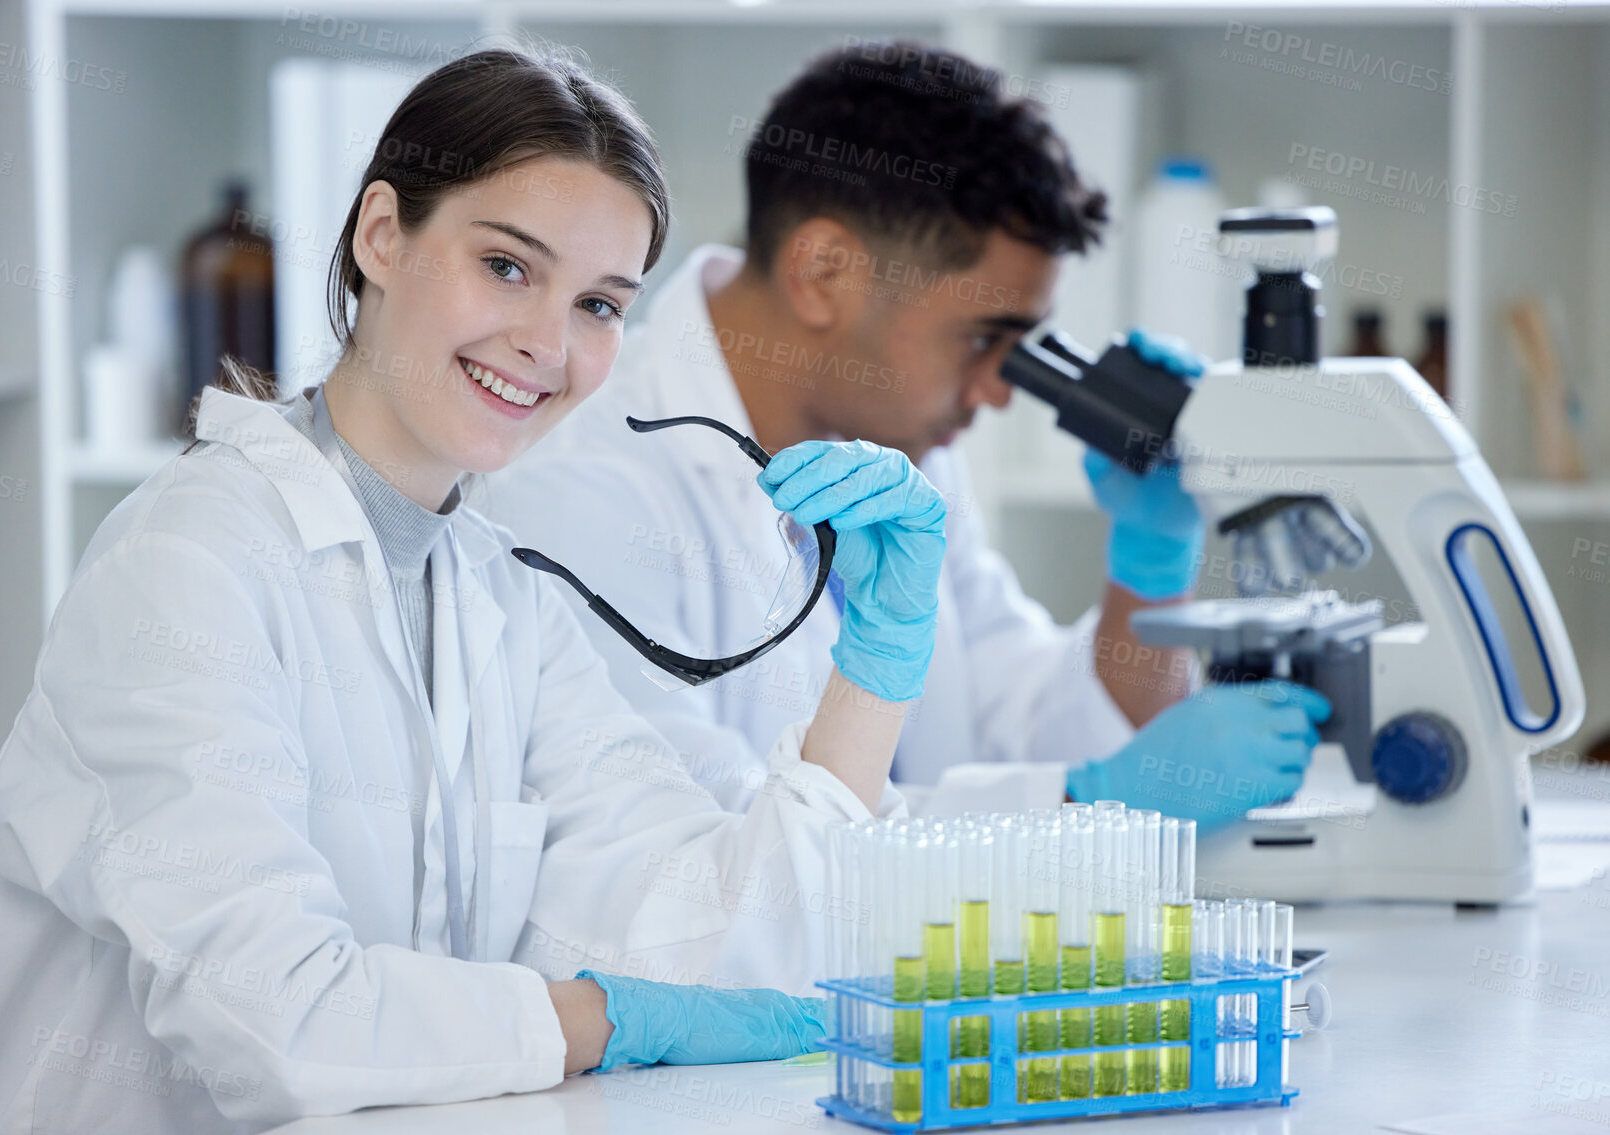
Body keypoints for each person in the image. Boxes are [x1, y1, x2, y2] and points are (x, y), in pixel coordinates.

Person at [0, 49, 948, 1135]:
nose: (548, 343)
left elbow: (719, 940)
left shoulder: (506, 602)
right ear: (381, 236)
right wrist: (605, 1020)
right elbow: (281, 1025)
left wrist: (875, 669)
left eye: (599, 303)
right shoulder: (186, 568)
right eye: (507, 266)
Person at [483, 40, 1330, 828]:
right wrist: (1081, 801)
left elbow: (1033, 724)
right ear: (824, 273)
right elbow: (729, 858)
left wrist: (1147, 564)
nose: (1000, 392)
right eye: (981, 339)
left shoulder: (895, 452)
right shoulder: (582, 489)